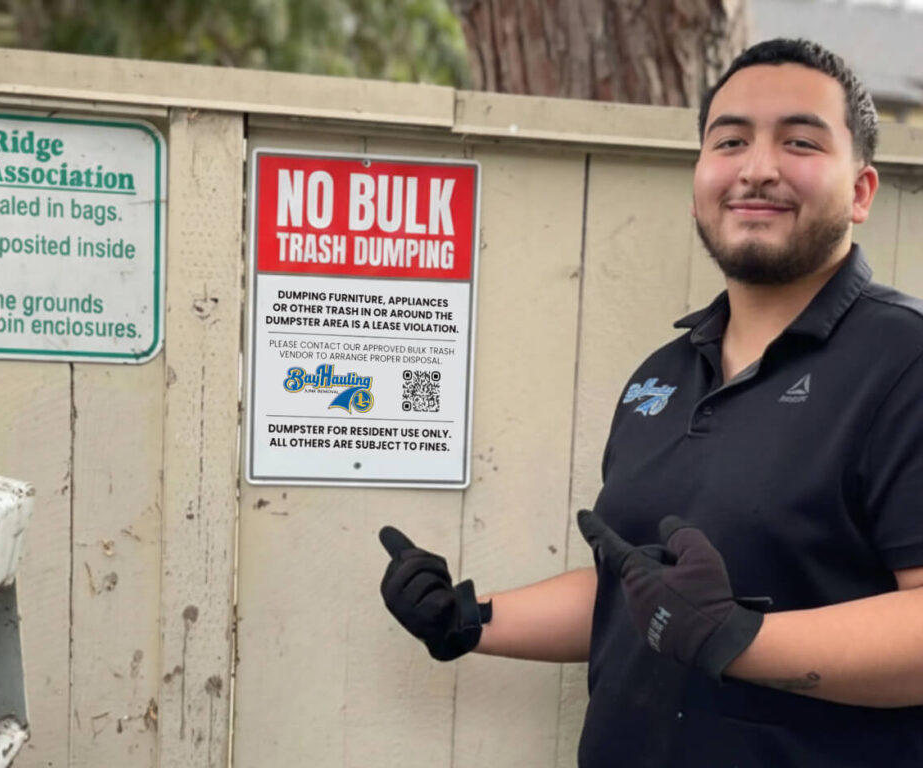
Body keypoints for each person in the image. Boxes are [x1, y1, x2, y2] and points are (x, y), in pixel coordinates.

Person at [378, 38, 923, 767]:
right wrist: (469, 619)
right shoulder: (659, 379)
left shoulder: (902, 360)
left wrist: (740, 641)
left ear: (861, 191)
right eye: (730, 140)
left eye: (798, 141)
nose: (757, 168)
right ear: (701, 174)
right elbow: (639, 596)